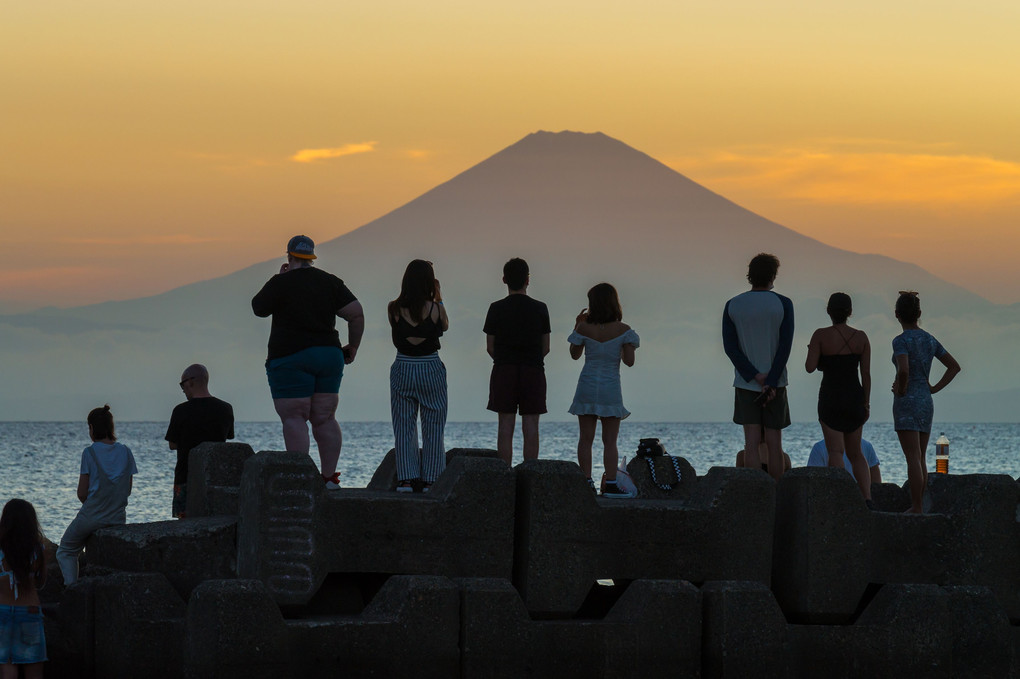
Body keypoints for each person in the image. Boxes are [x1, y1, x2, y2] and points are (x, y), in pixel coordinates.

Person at [251, 235, 365, 490]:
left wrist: (279, 279)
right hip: (329, 355)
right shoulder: (330, 282)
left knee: (295, 417)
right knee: (324, 417)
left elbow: (258, 308)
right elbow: (356, 313)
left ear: (289, 257)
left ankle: (300, 479)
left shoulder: (281, 282)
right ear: (312, 258)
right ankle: (329, 479)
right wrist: (353, 346)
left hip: (290, 356)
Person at [722, 253, 794, 482]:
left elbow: (731, 348)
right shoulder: (783, 304)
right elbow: (785, 346)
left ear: (750, 275)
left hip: (746, 383)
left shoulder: (733, 305)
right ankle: (777, 492)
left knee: (750, 443)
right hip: (777, 384)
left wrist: (755, 376)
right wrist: (771, 380)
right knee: (775, 444)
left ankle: (754, 493)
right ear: (772, 275)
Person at [568, 283, 640, 498]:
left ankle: (587, 481)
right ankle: (610, 483)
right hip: (610, 386)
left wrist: (577, 325)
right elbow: (629, 362)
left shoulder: (583, 329)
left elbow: (574, 354)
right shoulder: (624, 330)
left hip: (587, 384)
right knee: (610, 440)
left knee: (585, 439)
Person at [892, 291, 961, 513]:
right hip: (925, 401)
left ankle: (917, 507)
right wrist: (933, 388)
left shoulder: (900, 341)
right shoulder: (930, 340)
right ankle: (918, 505)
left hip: (907, 402)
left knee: (911, 457)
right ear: (919, 314)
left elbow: (903, 369)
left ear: (897, 315)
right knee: (920, 456)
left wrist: (901, 389)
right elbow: (954, 366)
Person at [56, 405, 137, 586]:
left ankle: (72, 589)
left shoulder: (89, 452)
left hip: (92, 516)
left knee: (66, 550)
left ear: (92, 428)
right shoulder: (126, 451)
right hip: (117, 517)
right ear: (111, 427)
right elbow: (127, 490)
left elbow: (82, 493)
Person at [388, 260, 450, 493]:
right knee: (434, 424)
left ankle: (406, 479)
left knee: (404, 425)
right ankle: (432, 479)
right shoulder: (435, 309)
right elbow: (444, 325)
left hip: (403, 366)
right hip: (430, 366)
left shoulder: (393, 308)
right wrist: (438, 296)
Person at [805, 292, 873, 504]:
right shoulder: (861, 337)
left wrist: (813, 350)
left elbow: (809, 367)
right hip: (855, 396)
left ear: (828, 311)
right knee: (856, 453)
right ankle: (867, 498)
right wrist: (866, 402)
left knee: (835, 451)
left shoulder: (820, 335)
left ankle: (840, 498)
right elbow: (866, 374)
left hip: (830, 397)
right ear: (850, 312)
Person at [483, 258, 551, 466]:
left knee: (505, 425)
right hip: (533, 369)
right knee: (531, 425)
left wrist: (504, 359)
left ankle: (505, 473)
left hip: (504, 369)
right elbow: (546, 347)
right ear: (527, 280)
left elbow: (490, 346)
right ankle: (530, 473)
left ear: (504, 279)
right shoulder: (540, 308)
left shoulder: (496, 308)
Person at [165, 364, 234, 518]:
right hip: (215, 476)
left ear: (191, 382)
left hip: (185, 476)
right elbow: (227, 437)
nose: (182, 389)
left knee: (184, 526)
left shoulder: (180, 411)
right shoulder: (226, 409)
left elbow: (172, 444)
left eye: (182, 384)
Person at [1, 499, 47, 679]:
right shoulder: (38, 549)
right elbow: (41, 581)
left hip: (2, 610)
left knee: (6, 664)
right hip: (30, 611)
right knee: (33, 664)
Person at [807, 439, 882, 484]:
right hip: (863, 500)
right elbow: (877, 484)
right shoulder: (866, 446)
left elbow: (813, 482)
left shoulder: (819, 447)